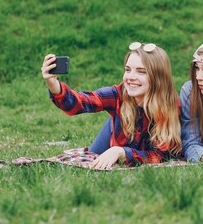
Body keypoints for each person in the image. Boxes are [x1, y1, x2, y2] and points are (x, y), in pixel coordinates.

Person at [40, 42, 182, 170]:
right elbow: (80, 102)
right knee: (93, 157)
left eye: (141, 71)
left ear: (158, 77)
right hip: (118, 130)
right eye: (128, 69)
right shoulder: (118, 94)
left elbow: (158, 157)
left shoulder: (170, 105)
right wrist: (53, 84)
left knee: (113, 151)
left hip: (127, 144)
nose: (131, 77)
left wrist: (121, 151)